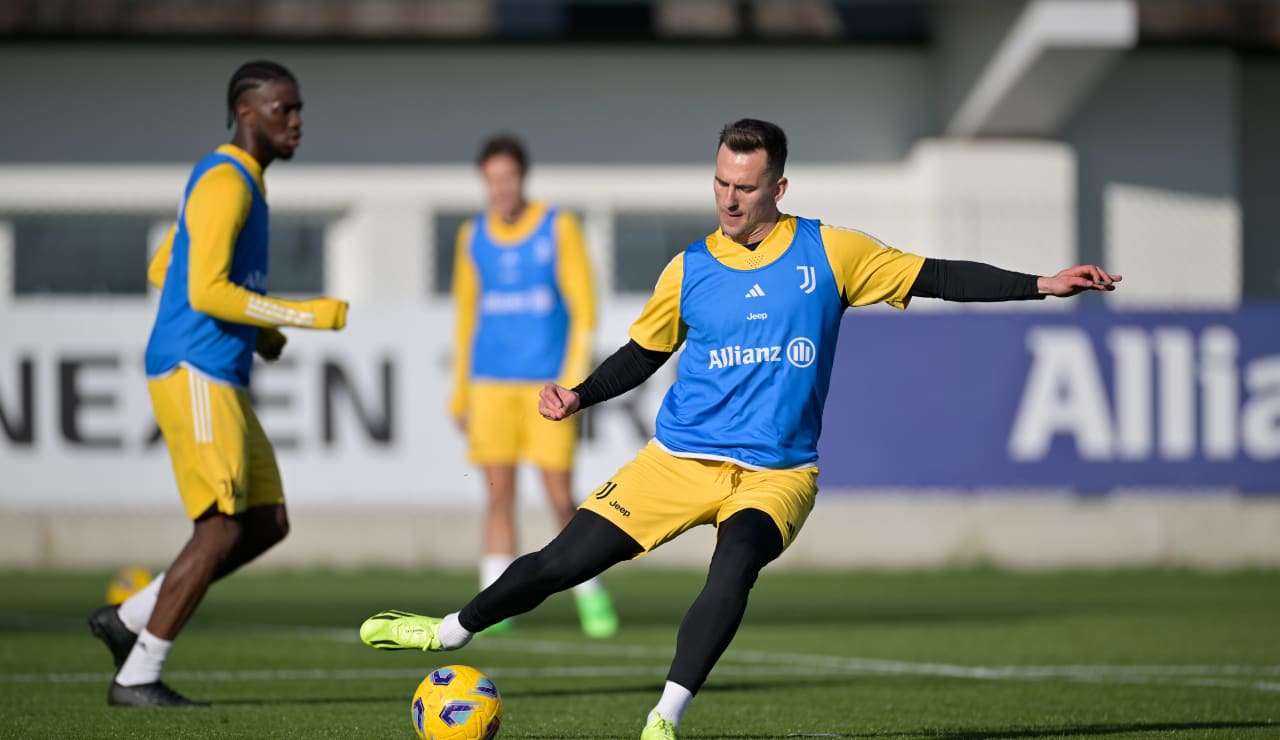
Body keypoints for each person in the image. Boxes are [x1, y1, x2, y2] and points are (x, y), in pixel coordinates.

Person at [360, 119, 1122, 739]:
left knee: (734, 567)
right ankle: (453, 631)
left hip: (777, 473)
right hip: (677, 460)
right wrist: (580, 396)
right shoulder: (690, 267)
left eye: (745, 186)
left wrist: (1041, 284)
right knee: (562, 561)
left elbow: (938, 276)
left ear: (778, 187)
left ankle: (664, 720)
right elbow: (644, 352)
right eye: (721, 181)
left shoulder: (831, 253)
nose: (729, 198)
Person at [88, 60, 350, 707]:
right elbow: (203, 288)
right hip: (195, 369)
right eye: (283, 110)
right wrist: (302, 314)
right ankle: (138, 673)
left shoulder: (244, 183)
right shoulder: (227, 182)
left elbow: (165, 266)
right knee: (221, 527)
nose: (297, 122)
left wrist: (257, 333)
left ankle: (128, 619)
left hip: (221, 370)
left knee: (267, 521)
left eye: (298, 108)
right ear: (246, 113)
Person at [448, 134, 618, 638]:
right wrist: (460, 391)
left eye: (509, 178)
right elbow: (465, 317)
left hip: (545, 386)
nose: (501, 188)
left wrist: (572, 382)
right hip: (490, 387)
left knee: (559, 495)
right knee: (498, 495)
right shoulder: (472, 235)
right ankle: (495, 604)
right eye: (492, 180)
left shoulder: (556, 226)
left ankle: (590, 595)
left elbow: (584, 307)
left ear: (523, 178)